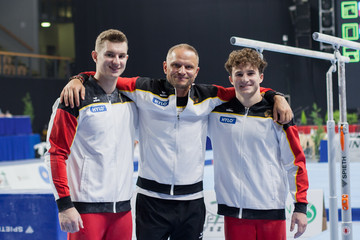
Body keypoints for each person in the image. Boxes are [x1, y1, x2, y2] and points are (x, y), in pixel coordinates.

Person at [60, 43, 293, 240]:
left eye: (188, 67)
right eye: (176, 65)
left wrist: (276, 96)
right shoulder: (144, 89)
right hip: (151, 202)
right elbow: (108, 75)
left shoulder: (210, 96)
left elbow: (246, 88)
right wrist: (79, 78)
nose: (182, 71)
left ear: (196, 71)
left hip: (191, 204)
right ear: (165, 67)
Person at [44, 29, 138, 240]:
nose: (116, 61)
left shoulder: (132, 99)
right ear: (95, 56)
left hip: (122, 209)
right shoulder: (73, 99)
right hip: (86, 209)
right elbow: (55, 154)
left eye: (121, 56)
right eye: (109, 55)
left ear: (127, 58)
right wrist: (64, 205)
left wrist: (80, 76)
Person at [208, 48, 309, 240]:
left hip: (270, 211)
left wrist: (301, 206)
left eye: (250, 73)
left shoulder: (279, 115)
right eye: (239, 74)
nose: (245, 79)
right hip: (234, 212)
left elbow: (295, 162)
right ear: (231, 79)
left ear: (261, 77)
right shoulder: (216, 113)